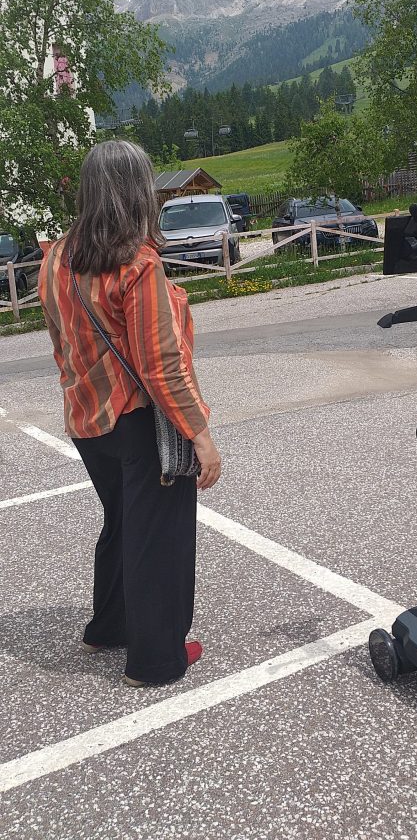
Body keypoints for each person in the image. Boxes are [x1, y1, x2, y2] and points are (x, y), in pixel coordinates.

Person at [39, 139, 221, 687]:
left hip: (86, 420)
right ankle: (155, 658)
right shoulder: (137, 264)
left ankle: (109, 625)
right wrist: (202, 436)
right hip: (139, 422)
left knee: (121, 525)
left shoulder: (58, 257)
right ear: (139, 191)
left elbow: (59, 344)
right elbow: (161, 365)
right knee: (158, 537)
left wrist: (80, 393)